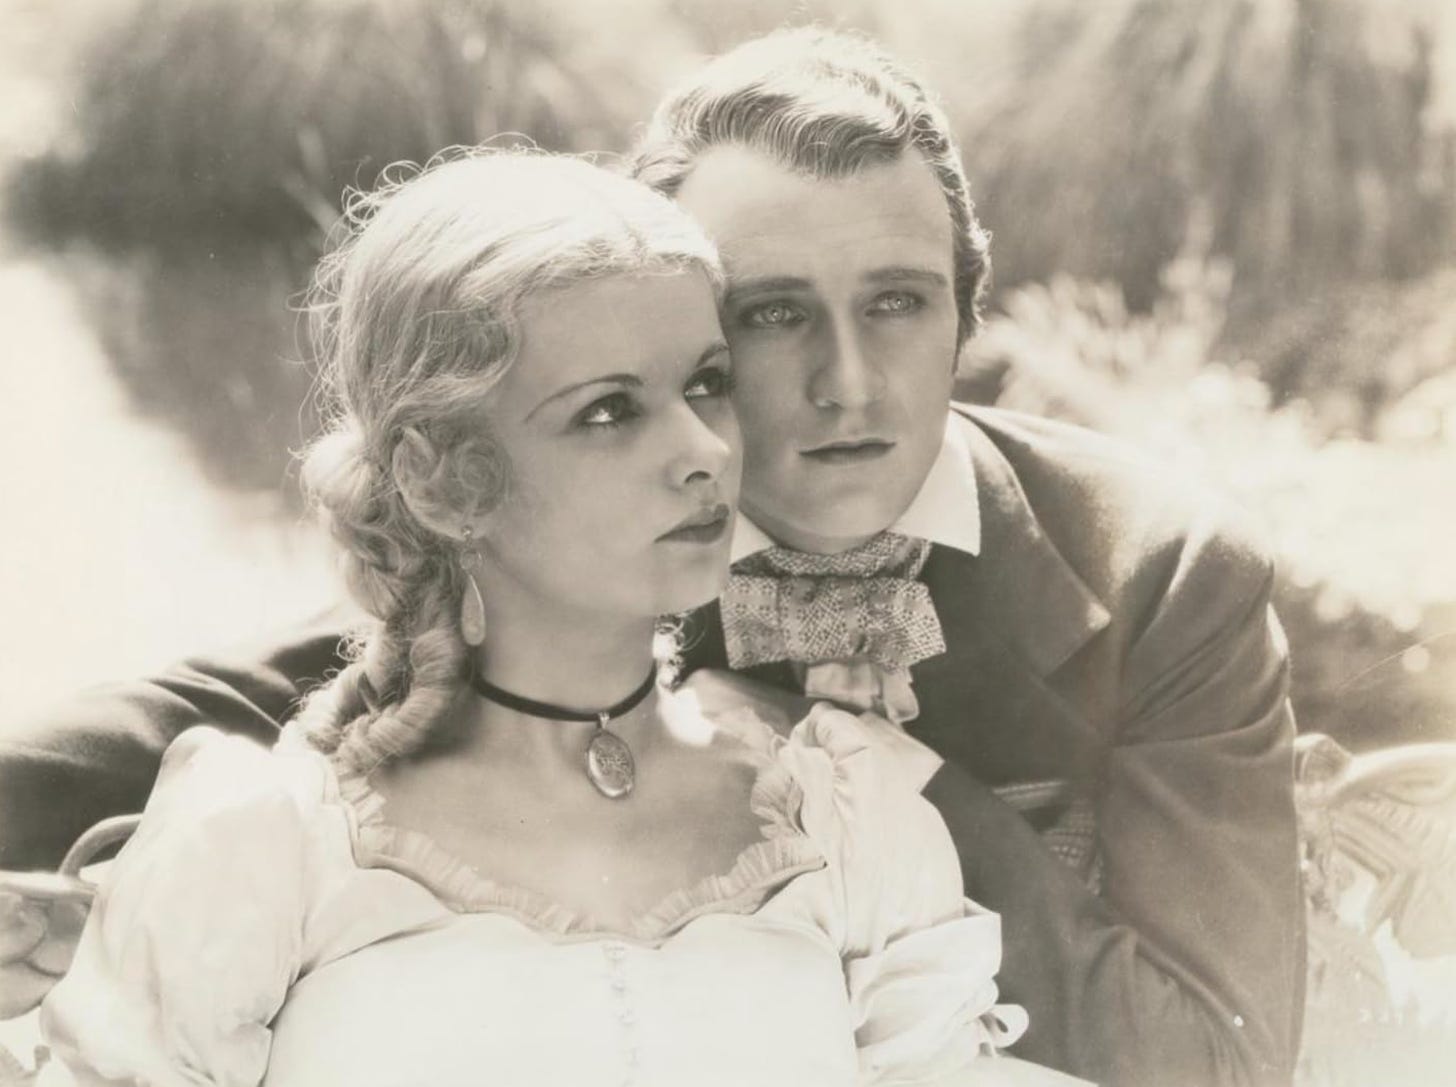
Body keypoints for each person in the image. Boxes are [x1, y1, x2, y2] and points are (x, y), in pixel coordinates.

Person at [0, 28, 1303, 1087]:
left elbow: (1221, 1059)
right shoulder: (589, 542)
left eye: (897, 302)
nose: (845, 384)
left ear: (968, 303)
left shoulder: (1159, 575)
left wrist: (835, 758)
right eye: (765, 322)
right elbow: (323, 682)